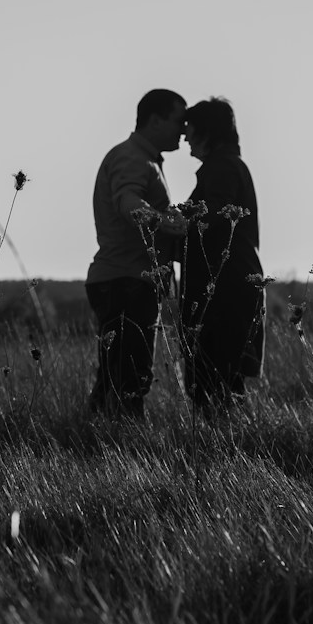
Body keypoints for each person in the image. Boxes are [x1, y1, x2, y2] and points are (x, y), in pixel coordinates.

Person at [86, 88, 188, 417]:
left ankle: (92, 444)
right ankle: (126, 449)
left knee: (114, 377)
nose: (184, 130)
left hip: (123, 279)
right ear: (156, 121)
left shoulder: (140, 158)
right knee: (131, 379)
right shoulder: (132, 158)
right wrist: (167, 224)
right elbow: (128, 203)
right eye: (179, 121)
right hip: (127, 282)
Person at [179, 97, 264, 412]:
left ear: (207, 131)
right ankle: (229, 449)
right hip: (230, 284)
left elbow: (213, 212)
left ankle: (227, 451)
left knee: (215, 381)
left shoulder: (222, 167)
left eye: (190, 129)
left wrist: (173, 226)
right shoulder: (227, 165)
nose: (185, 137)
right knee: (223, 381)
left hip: (224, 288)